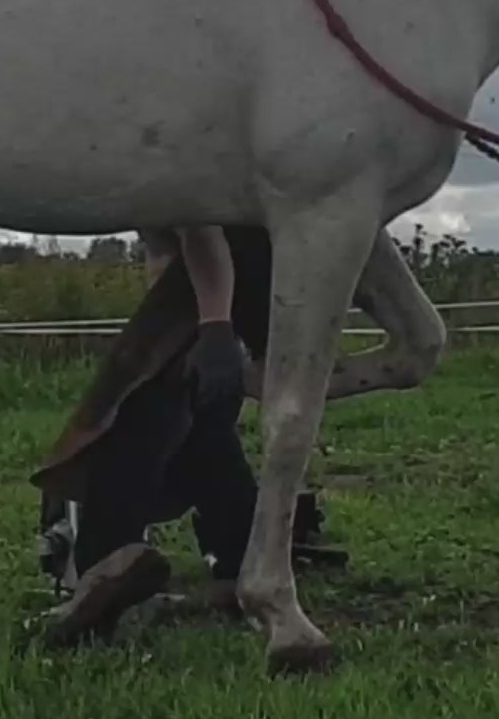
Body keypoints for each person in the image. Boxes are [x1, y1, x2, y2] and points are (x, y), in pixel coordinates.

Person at [31, 224, 338, 646]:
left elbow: (199, 226)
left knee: (141, 414)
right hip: (211, 305)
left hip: (194, 315)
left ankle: (105, 566)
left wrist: (215, 327)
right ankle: (238, 562)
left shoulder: (159, 169)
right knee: (205, 436)